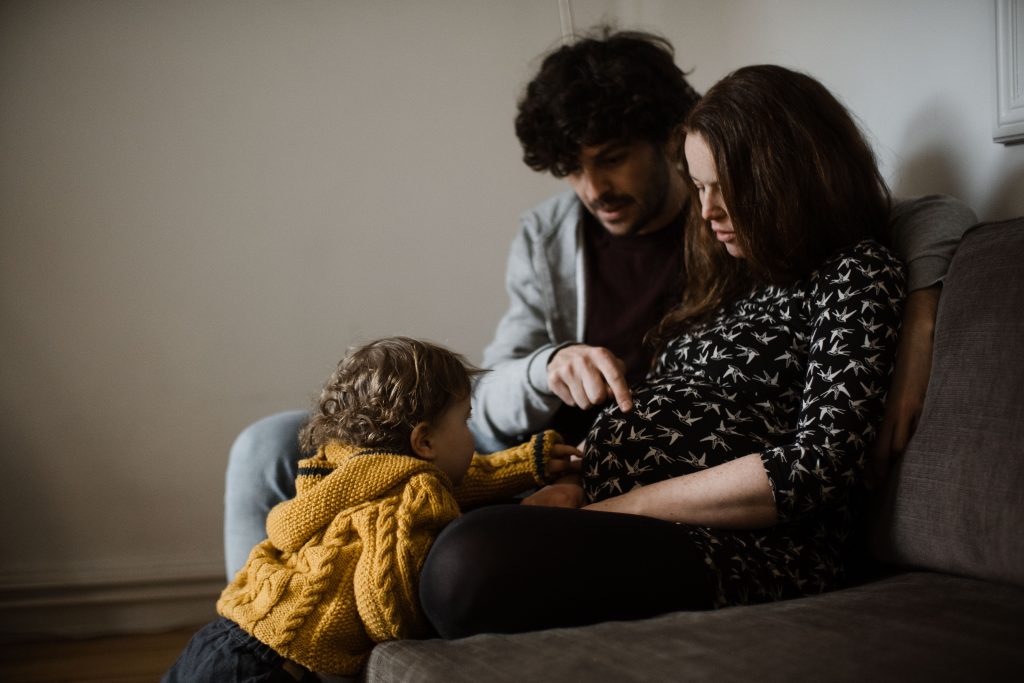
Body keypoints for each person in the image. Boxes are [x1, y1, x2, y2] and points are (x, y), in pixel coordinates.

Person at [223, 27, 977, 579]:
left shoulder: (741, 224)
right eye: (571, 170)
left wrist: (921, 315)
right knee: (270, 449)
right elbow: (485, 396)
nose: (593, 191)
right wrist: (548, 367)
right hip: (532, 448)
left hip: (631, 485)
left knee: (453, 554)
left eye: (611, 159)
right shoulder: (552, 237)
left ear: (666, 137)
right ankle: (268, 623)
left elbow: (903, 214)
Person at [418, 63, 906, 637]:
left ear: (791, 175)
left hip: (738, 544)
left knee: (462, 566)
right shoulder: (726, 278)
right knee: (411, 524)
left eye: (727, 188)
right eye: (700, 187)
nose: (707, 212)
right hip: (609, 505)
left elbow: (815, 468)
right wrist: (575, 489)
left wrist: (605, 512)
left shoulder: (853, 274)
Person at [167, 337, 578, 681]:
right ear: (424, 443)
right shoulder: (415, 489)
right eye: (466, 422)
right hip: (273, 671)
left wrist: (527, 463)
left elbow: (464, 480)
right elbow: (384, 608)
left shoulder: (341, 465)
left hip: (222, 636)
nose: (471, 437)